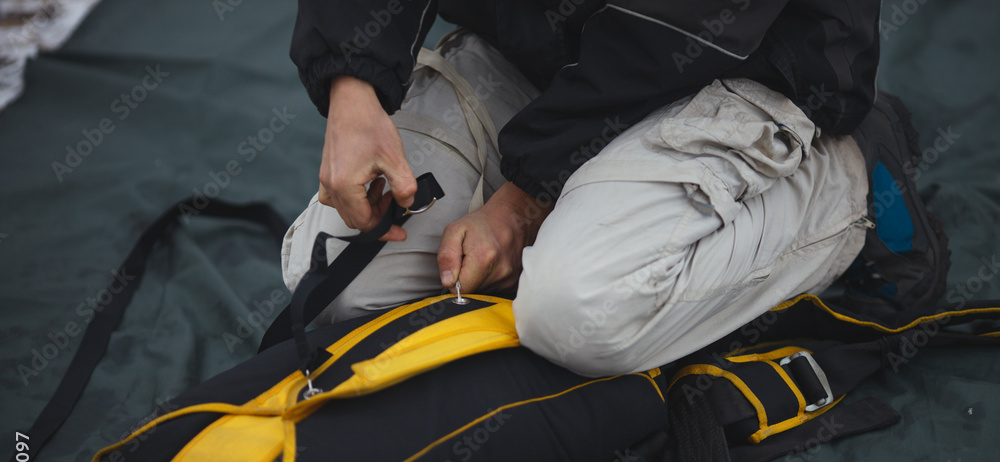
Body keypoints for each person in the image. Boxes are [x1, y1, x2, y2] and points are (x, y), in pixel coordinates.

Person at [283, 1, 946, 377]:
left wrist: (522, 200)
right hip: (533, 50)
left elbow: (675, 30)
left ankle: (843, 177)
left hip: (726, 61)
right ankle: (594, 218)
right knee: (341, 281)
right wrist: (353, 85)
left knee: (577, 314)